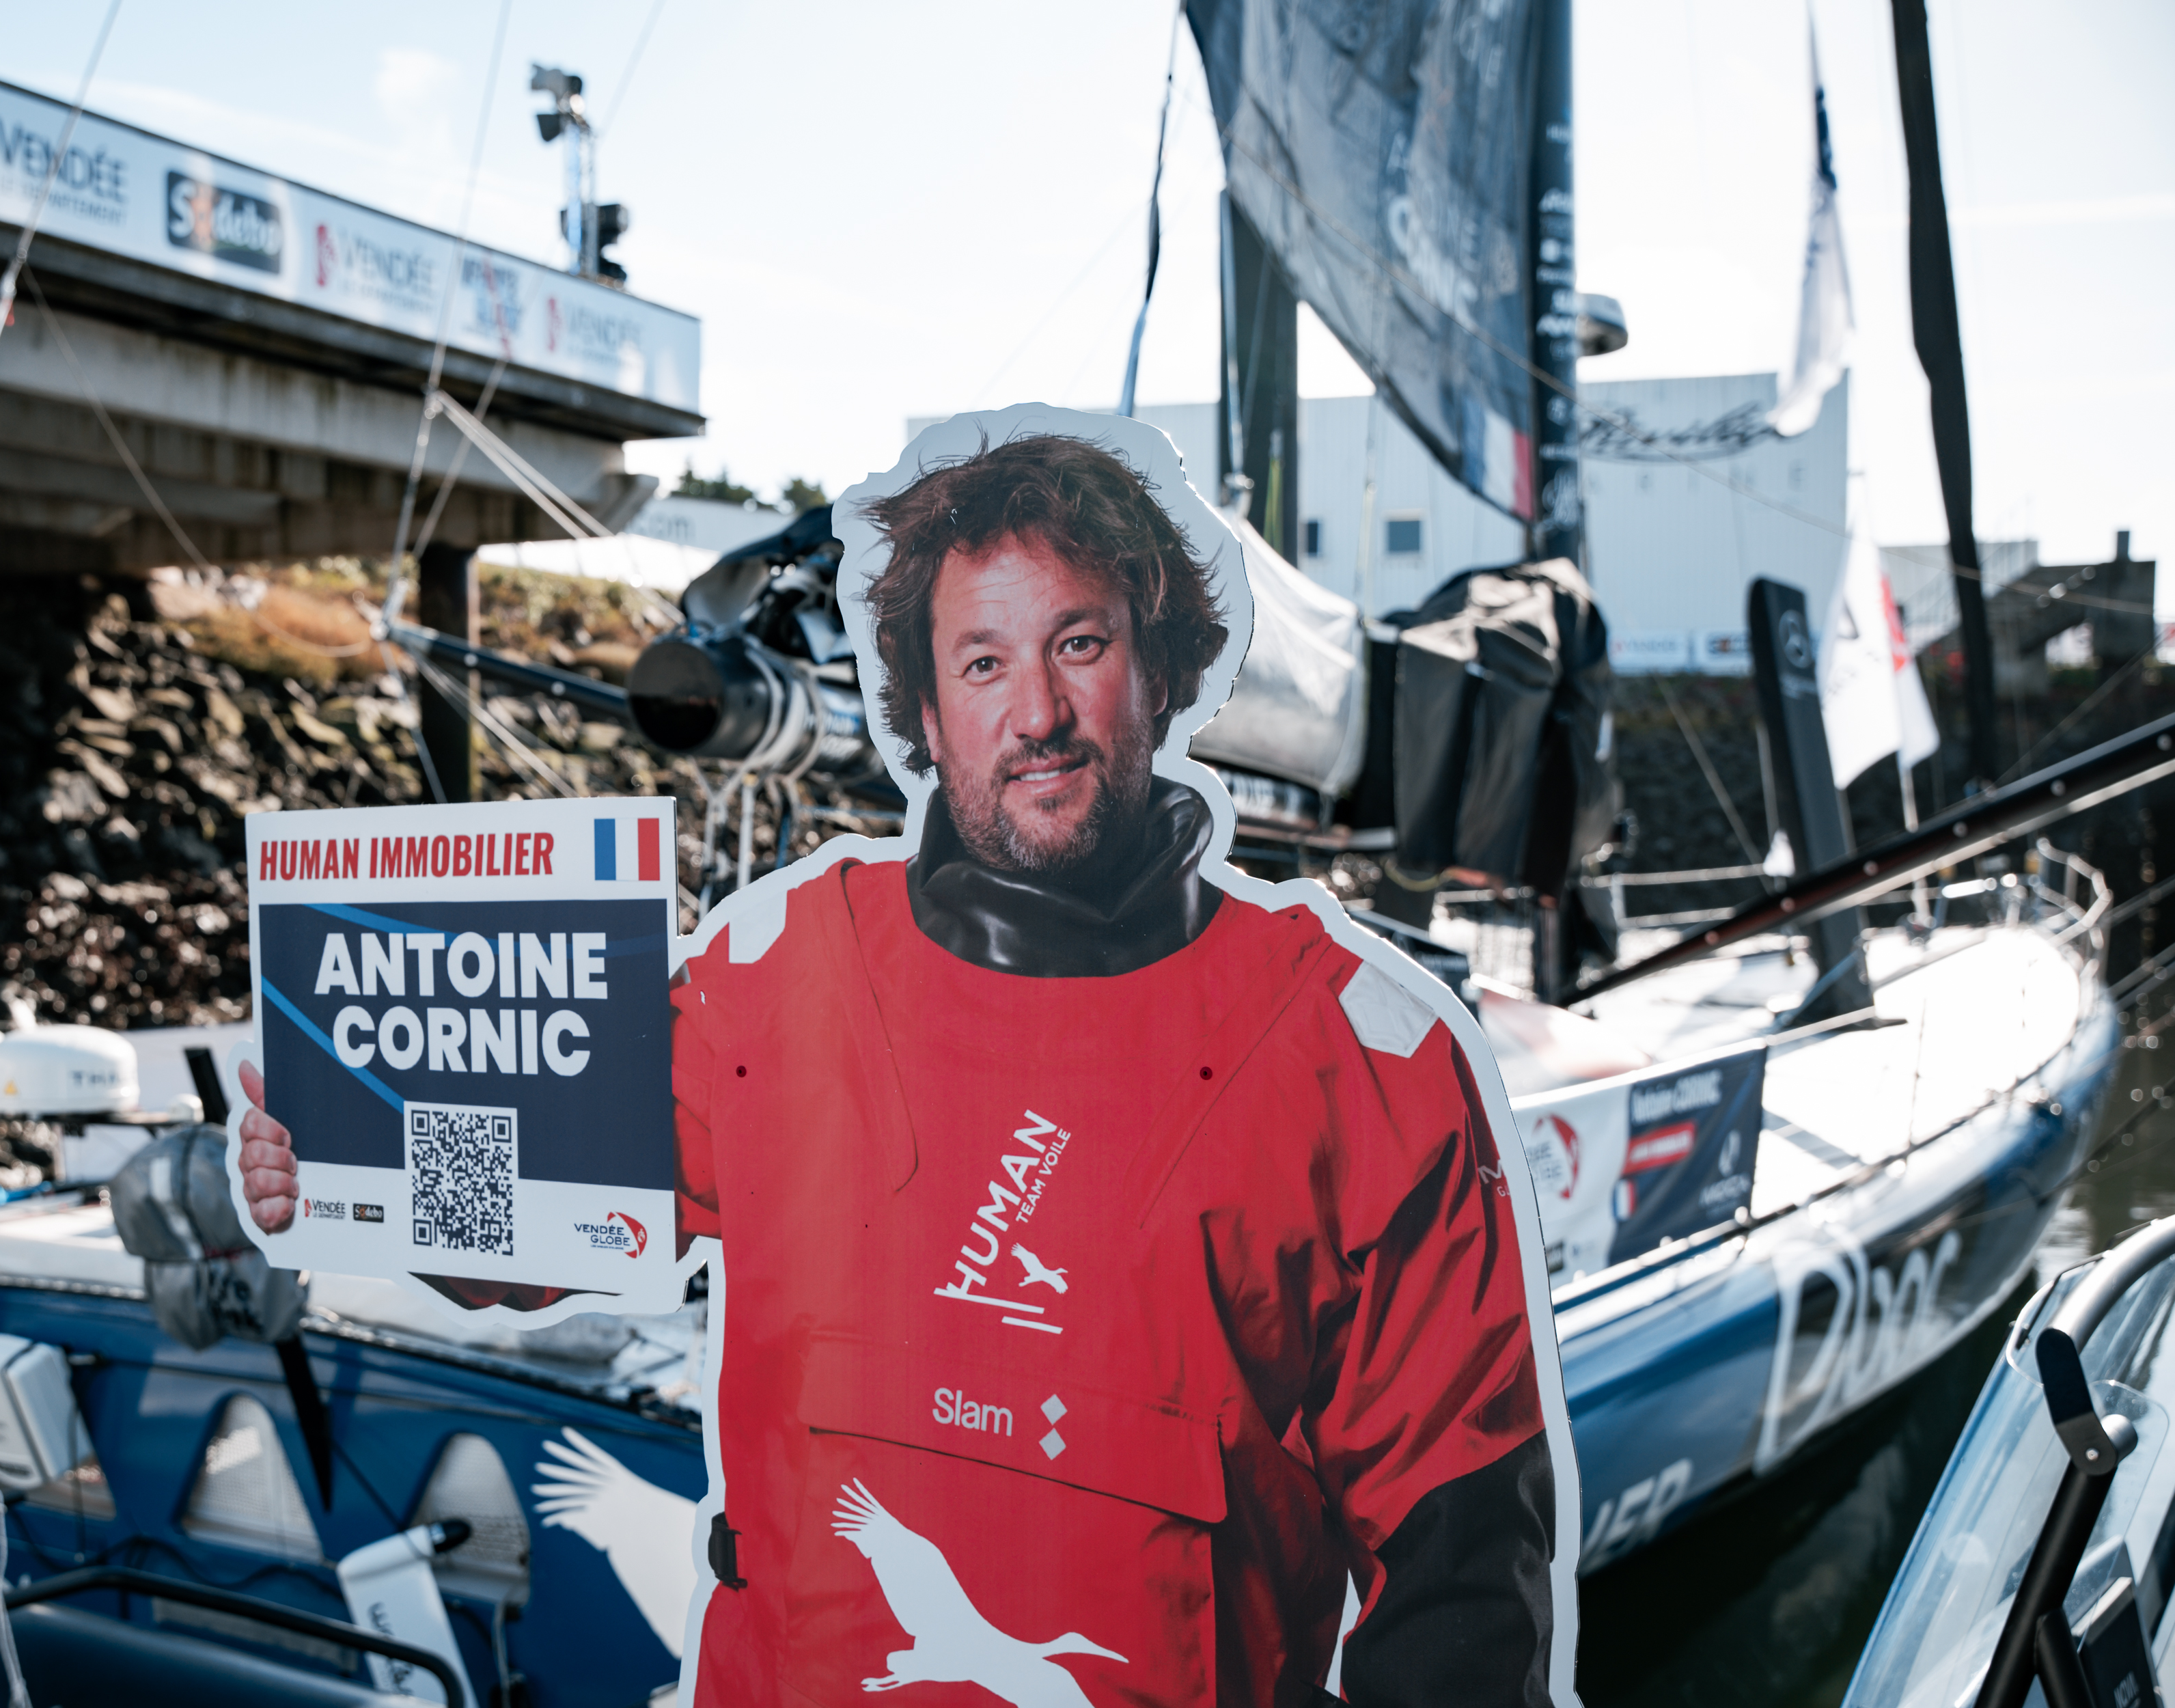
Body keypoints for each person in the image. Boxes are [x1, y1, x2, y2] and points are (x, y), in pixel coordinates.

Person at [240, 429, 1562, 1707]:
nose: (1036, 713)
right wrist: (363, 1155)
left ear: (1163, 670)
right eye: (981, 664)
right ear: (924, 714)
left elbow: (1457, 1577)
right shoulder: (770, 976)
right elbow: (535, 1227)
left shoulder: (1363, 1054)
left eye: (1080, 645)